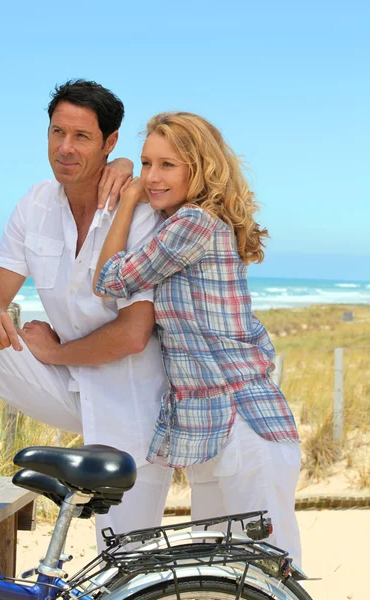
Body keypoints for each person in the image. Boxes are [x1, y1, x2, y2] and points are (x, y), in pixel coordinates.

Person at [93, 111, 302, 565]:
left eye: (167, 164)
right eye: (147, 164)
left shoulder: (194, 223)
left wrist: (127, 200)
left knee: (270, 576)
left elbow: (109, 280)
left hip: (245, 425)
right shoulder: (181, 223)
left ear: (200, 167)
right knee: (219, 583)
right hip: (206, 431)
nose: (151, 177)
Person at [0, 80, 173, 539]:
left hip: (134, 406)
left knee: (125, 562)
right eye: (56, 132)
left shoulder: (137, 212)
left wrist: (55, 352)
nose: (65, 147)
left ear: (110, 143)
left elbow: (132, 334)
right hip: (67, 389)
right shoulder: (35, 203)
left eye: (81, 136)